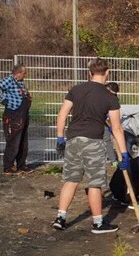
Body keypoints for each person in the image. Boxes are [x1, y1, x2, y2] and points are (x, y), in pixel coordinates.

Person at [52, 58, 128, 234]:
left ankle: (60, 217)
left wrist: (60, 137)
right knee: (94, 182)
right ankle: (98, 223)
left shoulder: (76, 89)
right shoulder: (110, 97)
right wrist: (123, 153)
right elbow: (116, 128)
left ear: (89, 73)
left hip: (73, 139)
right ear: (107, 73)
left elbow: (62, 113)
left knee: (70, 179)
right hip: (93, 140)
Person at [0, 63, 32, 174]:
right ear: (18, 73)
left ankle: (21, 165)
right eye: (24, 73)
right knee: (13, 141)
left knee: (23, 141)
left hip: (23, 114)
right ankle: (8, 166)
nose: (25, 75)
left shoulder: (20, 82)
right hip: (13, 114)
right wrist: (3, 100)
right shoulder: (9, 80)